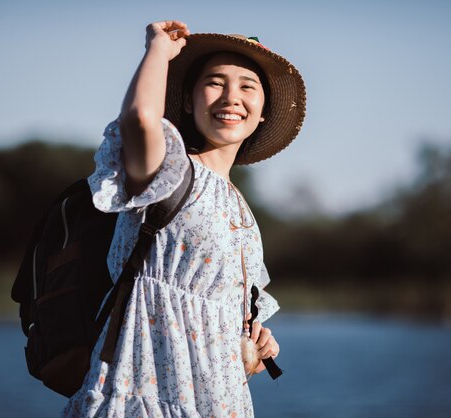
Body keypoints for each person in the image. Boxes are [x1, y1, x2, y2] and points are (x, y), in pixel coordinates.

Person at [63, 20, 306, 417]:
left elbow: (230, 333)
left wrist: (257, 349)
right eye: (215, 82)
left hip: (216, 403)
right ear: (189, 102)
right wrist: (157, 49)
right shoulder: (167, 171)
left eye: (248, 86)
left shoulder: (243, 212)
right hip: (141, 391)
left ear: (262, 112)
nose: (232, 97)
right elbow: (140, 119)